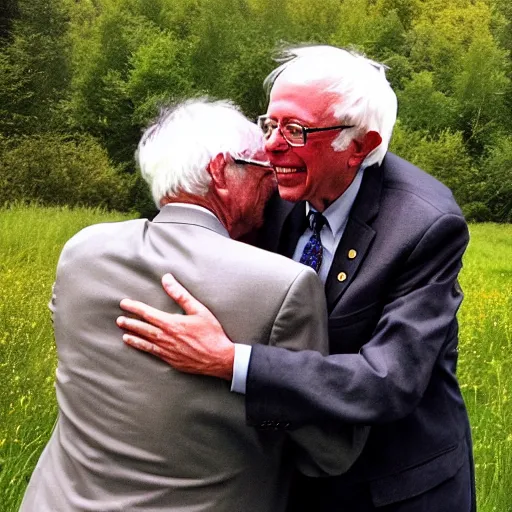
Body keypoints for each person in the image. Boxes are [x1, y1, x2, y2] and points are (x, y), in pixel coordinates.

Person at [117, 47, 476, 511]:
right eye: (269, 124)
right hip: (294, 472)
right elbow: (195, 231)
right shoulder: (279, 189)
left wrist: (232, 361)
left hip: (392, 485)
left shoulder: (425, 225)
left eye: (295, 129)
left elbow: (389, 381)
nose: (270, 146)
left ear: (360, 147)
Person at [20, 99, 367, 512]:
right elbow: (328, 451)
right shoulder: (283, 285)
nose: (273, 185)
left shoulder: (82, 252)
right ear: (221, 172)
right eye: (262, 170)